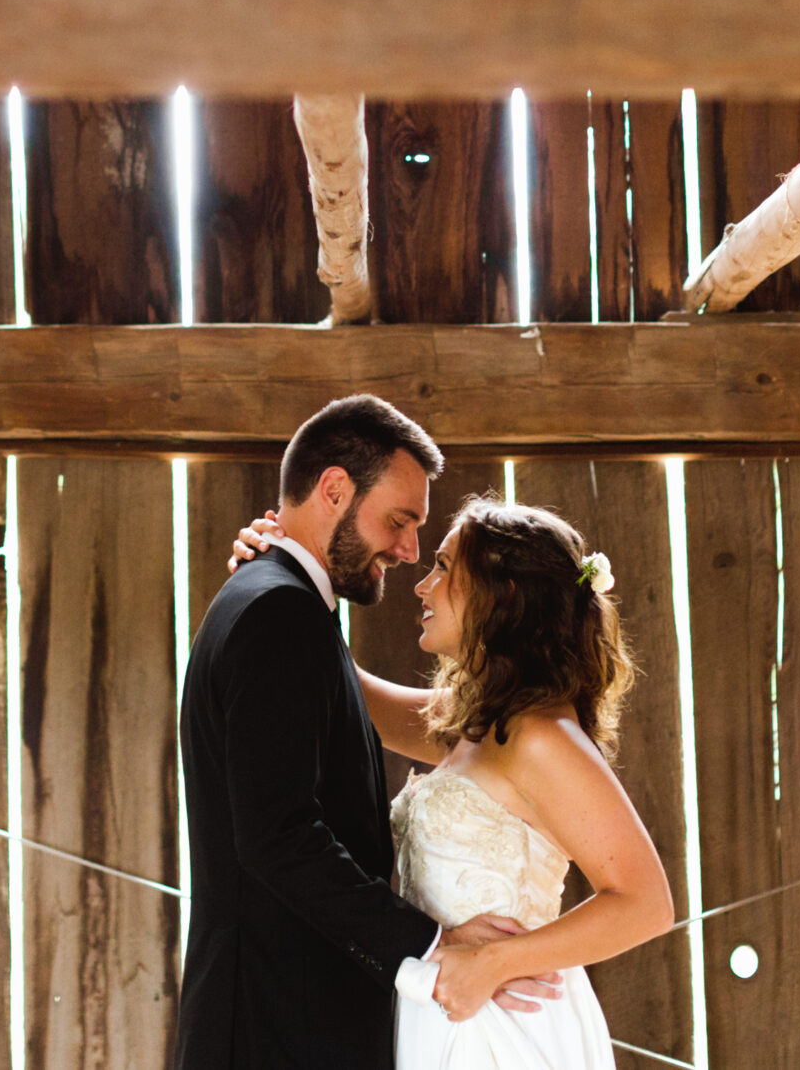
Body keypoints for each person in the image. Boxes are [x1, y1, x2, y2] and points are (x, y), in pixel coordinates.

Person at [172, 395, 559, 1070]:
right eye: (400, 521)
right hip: (271, 1031)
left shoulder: (287, 608)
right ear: (333, 489)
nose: (409, 553)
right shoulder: (278, 612)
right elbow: (277, 836)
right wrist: (435, 946)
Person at [228, 490, 675, 1070]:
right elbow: (343, 686)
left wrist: (490, 965)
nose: (421, 585)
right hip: (440, 1013)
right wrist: (278, 579)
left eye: (442, 567)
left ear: (503, 593)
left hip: (508, 1025)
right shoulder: (472, 723)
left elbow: (646, 904)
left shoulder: (541, 737)